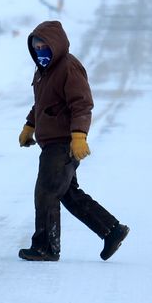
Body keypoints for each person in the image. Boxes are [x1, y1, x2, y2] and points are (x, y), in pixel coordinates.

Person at [17, 20, 129, 262]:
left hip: (62, 143)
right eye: (36, 48)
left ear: (55, 45)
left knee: (46, 191)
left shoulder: (68, 67)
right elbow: (42, 104)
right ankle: (112, 230)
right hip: (51, 142)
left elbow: (82, 104)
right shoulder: (43, 71)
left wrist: (79, 136)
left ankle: (46, 247)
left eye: (44, 46)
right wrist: (30, 126)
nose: (40, 51)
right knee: (69, 194)